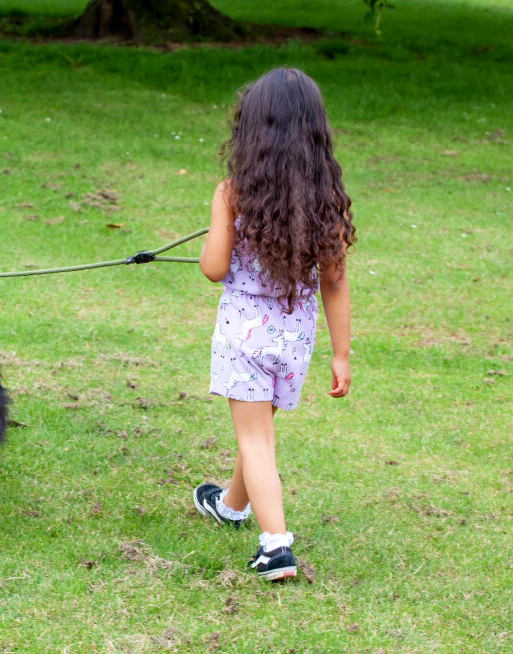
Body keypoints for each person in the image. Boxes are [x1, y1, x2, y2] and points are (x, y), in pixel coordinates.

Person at [193, 68, 355, 581]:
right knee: (257, 429)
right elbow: (334, 281)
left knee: (257, 439)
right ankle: (231, 505)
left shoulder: (233, 193)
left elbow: (214, 268)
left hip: (245, 333)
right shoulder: (325, 200)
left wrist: (219, 224)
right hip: (295, 334)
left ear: (252, 130)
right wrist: (341, 353)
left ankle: (275, 545)